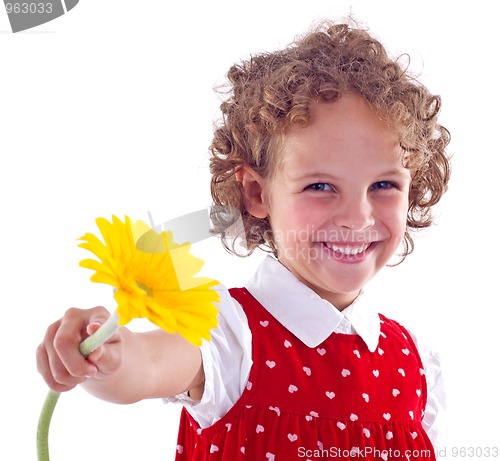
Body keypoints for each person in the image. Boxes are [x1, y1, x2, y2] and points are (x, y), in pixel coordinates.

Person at [37, 19, 451, 460]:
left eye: (384, 185)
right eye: (319, 187)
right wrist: (107, 356)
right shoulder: (231, 333)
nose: (356, 217)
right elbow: (151, 363)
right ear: (257, 193)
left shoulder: (416, 362)